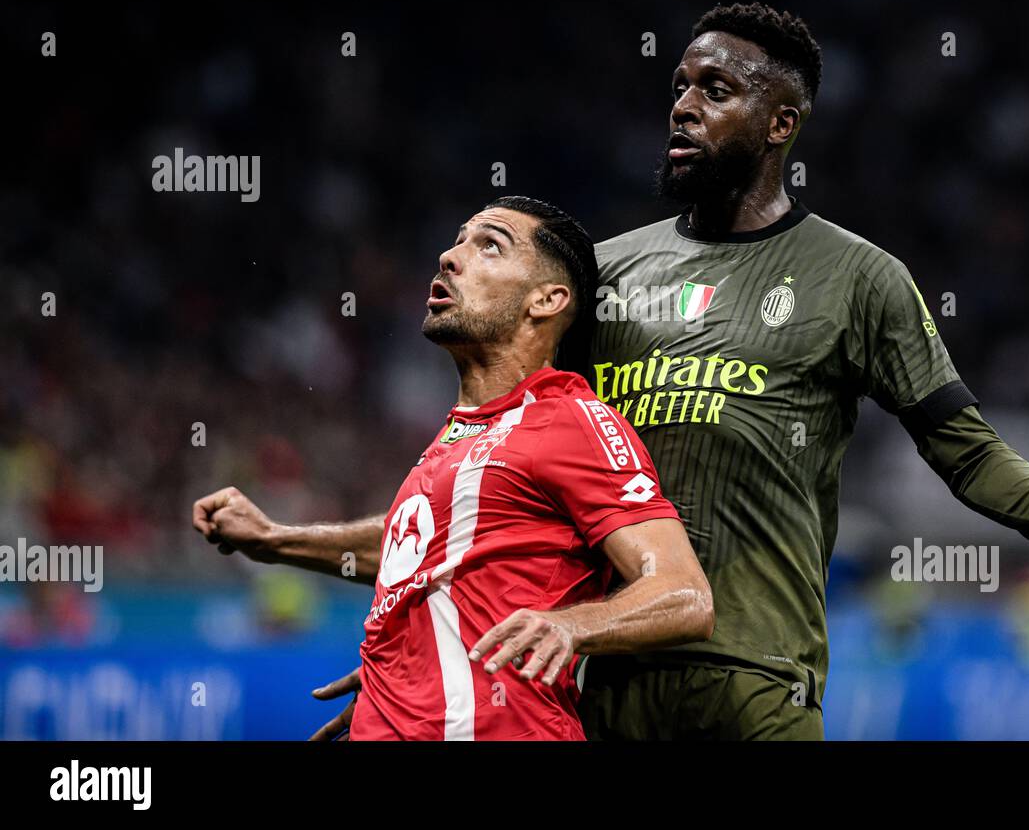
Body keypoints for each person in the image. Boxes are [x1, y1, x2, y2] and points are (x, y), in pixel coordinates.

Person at [196, 3, 1029, 741]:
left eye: (715, 90)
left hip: (753, 676)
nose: (682, 105)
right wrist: (415, 671)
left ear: (780, 124)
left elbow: (959, 446)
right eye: (678, 85)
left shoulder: (859, 277)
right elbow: (487, 509)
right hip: (597, 683)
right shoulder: (601, 276)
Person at [192, 196, 712, 740]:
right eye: (458, 239)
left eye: (489, 245)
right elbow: (419, 550)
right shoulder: (460, 437)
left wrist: (570, 625)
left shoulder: (569, 420)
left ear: (546, 300)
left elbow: (684, 593)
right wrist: (273, 540)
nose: (449, 256)